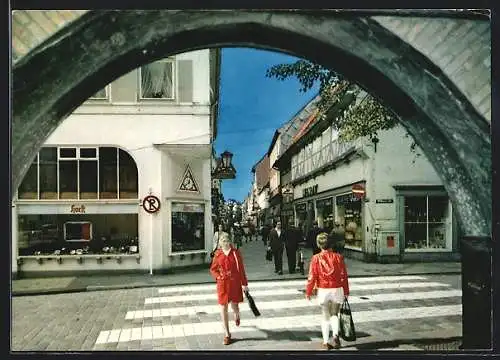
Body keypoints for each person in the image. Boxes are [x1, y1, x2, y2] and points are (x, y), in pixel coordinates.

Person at [305, 232, 350, 350]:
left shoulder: (315, 258)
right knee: (335, 314)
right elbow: (344, 275)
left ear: (319, 245)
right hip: (337, 288)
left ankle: (325, 342)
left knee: (325, 316)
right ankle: (335, 335)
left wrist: (308, 291)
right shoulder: (338, 257)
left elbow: (312, 277)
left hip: (323, 289)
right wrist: (346, 291)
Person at [209, 232, 249, 345]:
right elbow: (213, 269)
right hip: (222, 284)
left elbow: (241, 269)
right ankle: (227, 334)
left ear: (230, 241)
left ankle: (237, 315)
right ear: (220, 243)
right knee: (223, 308)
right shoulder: (217, 254)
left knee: (234, 305)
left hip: (234, 283)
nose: (225, 243)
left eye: (227, 241)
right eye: (223, 241)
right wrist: (218, 276)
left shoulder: (236, 253)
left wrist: (244, 284)